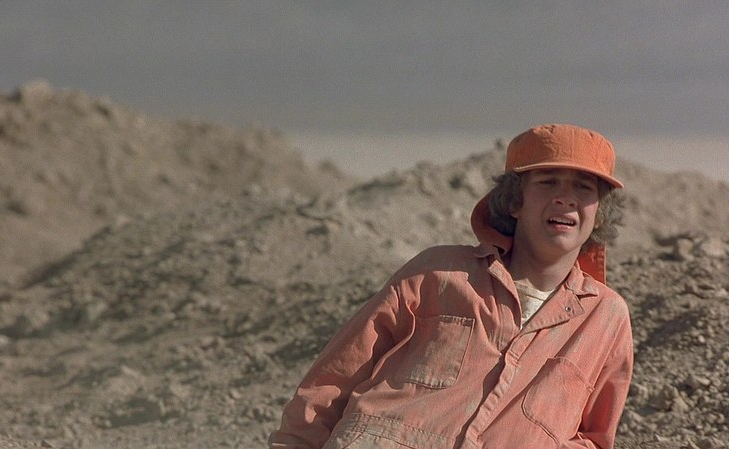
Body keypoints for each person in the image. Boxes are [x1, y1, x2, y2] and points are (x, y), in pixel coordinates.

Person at [269, 123, 633, 449]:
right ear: (515, 201)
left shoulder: (605, 317)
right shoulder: (438, 272)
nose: (565, 198)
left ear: (599, 211)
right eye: (547, 181)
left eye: (583, 187)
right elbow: (334, 379)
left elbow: (595, 438)